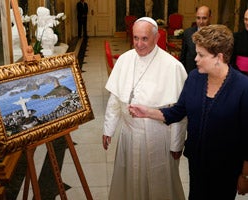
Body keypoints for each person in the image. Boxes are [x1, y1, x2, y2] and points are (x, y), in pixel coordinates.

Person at [129, 24, 248, 200]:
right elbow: (177, 112)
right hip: (197, 163)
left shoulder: (243, 87)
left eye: (201, 55)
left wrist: (244, 175)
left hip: (225, 168)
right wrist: (147, 112)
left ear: (219, 57)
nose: (196, 59)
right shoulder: (194, 77)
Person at [102, 17, 188, 200]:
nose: (138, 44)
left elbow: (180, 112)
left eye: (144, 39)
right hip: (128, 134)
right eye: (135, 38)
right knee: (128, 182)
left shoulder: (173, 66)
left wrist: (176, 143)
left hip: (157, 137)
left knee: (158, 185)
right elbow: (115, 99)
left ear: (156, 38)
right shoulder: (124, 60)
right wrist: (108, 129)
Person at [180, 5, 211, 73]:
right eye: (198, 18)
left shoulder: (215, 34)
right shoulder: (188, 33)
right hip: (190, 72)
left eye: (204, 18)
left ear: (210, 18)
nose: (201, 22)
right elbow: (183, 56)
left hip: (208, 74)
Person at [231, 9, 248, 74]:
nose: (247, 23)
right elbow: (231, 60)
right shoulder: (236, 37)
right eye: (246, 19)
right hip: (238, 74)